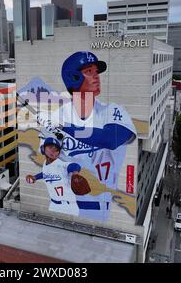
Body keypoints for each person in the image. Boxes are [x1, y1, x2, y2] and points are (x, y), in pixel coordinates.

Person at [38, 51, 137, 221]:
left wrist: (67, 129)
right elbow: (50, 159)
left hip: (97, 207)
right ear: (73, 77)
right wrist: (70, 172)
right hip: (62, 205)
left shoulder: (112, 110)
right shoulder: (57, 117)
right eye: (89, 71)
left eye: (96, 72)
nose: (96, 76)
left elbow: (111, 139)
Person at [25, 137, 83, 216]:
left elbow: (74, 166)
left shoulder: (60, 164)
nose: (53, 151)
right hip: (53, 204)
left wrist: (75, 174)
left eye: (56, 150)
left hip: (68, 206)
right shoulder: (46, 163)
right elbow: (45, 173)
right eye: (50, 147)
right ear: (43, 149)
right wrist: (35, 177)